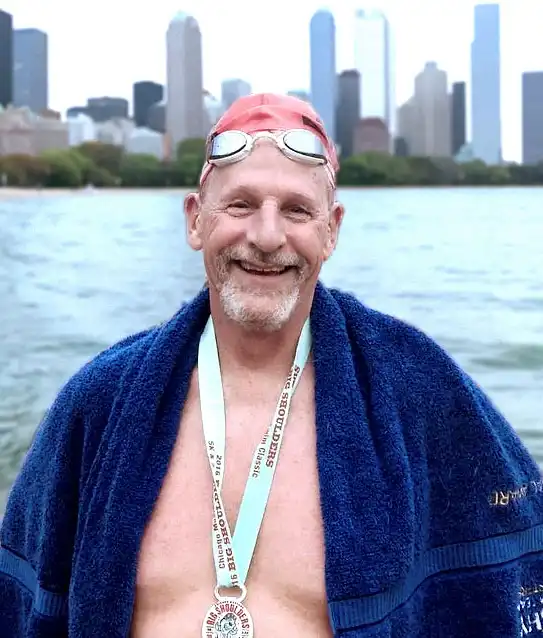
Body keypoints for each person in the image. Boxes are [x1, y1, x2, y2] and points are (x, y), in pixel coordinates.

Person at [1, 93, 543, 638]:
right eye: (240, 205)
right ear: (195, 220)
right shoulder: (99, 402)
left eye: (297, 210)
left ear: (331, 231)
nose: (266, 236)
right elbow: (19, 599)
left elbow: (519, 553)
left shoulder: (419, 389)